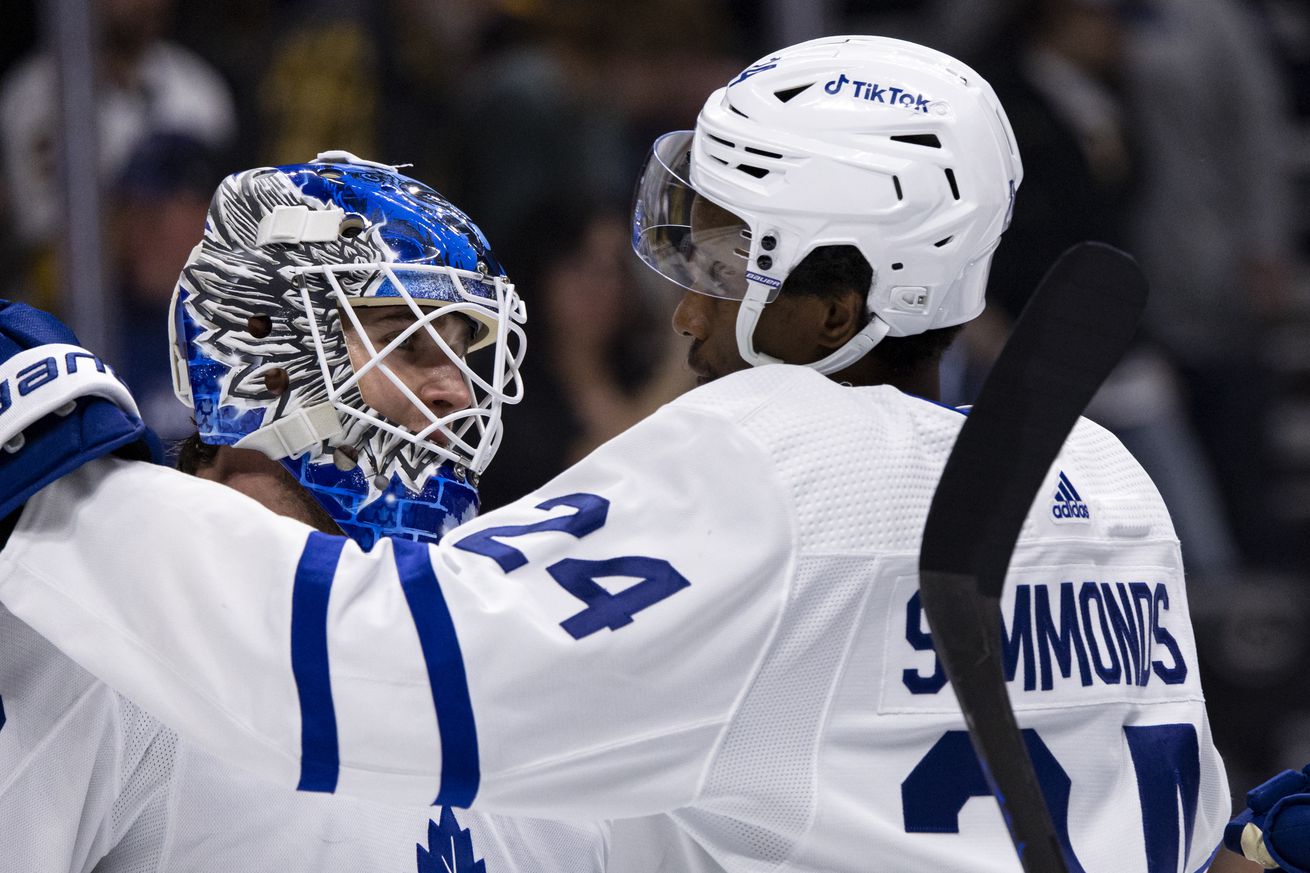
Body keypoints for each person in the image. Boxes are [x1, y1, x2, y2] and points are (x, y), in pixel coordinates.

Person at [0, 37, 1230, 871]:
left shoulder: (771, 463)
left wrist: (65, 485)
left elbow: (375, 662)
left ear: (844, 297)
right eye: (401, 336)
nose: (685, 312)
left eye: (730, 253)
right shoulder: (1107, 481)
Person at [0, 152, 606, 872]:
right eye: (406, 341)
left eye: (463, 352)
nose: (457, 394)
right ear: (263, 350)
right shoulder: (106, 635)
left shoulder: (503, 672)